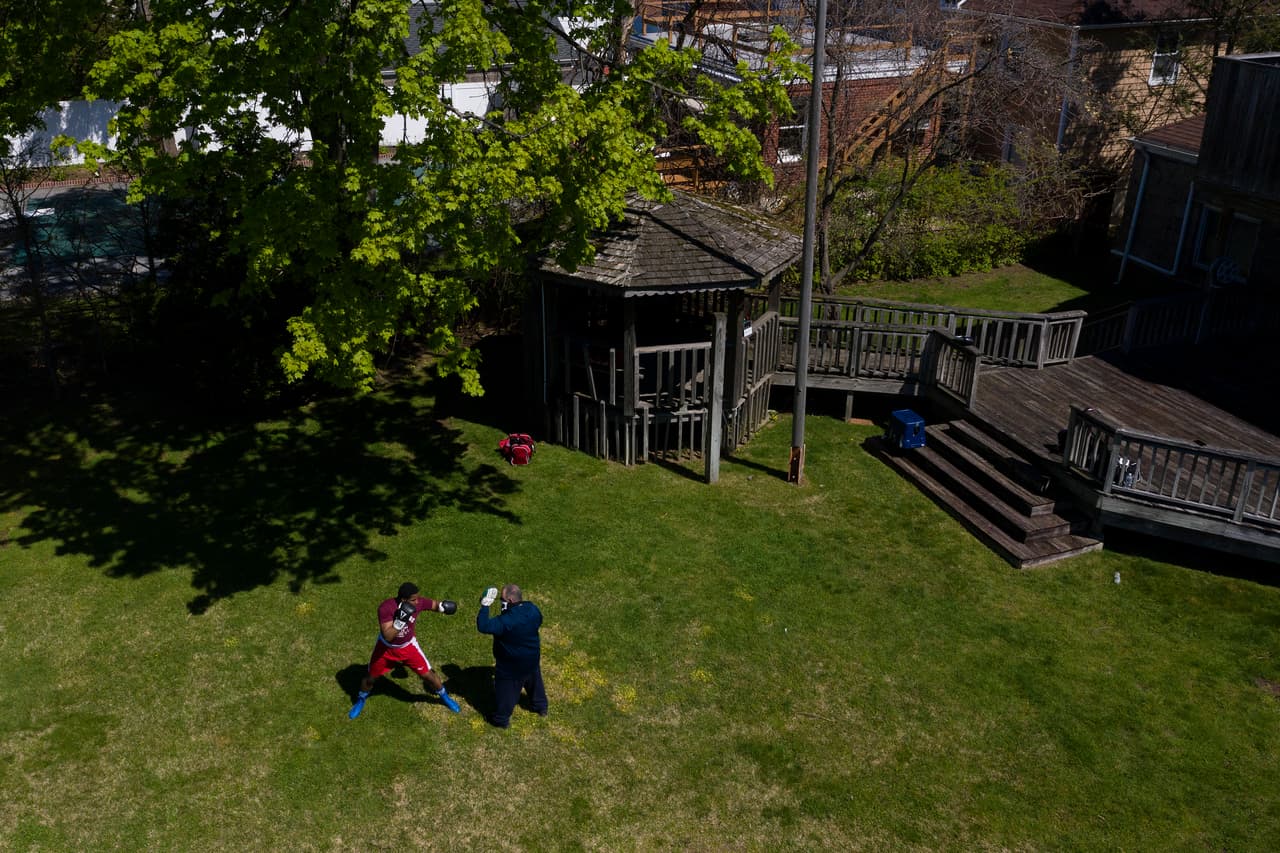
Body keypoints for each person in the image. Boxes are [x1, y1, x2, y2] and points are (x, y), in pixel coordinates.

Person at [349, 582, 460, 720]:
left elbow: (433, 605)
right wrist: (400, 622)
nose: (417, 602)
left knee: (429, 676)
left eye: (417, 598)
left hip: (408, 647)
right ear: (403, 600)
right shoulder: (386, 608)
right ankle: (361, 699)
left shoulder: (417, 603)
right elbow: (388, 636)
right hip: (385, 649)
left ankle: (444, 696)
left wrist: (442, 607)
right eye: (413, 599)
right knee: (370, 679)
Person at [476, 583, 547, 728]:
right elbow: (539, 619)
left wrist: (485, 606)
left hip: (511, 665)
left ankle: (501, 719)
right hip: (532, 657)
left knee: (505, 692)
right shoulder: (532, 609)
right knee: (534, 681)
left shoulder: (506, 622)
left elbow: (483, 626)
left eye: (501, 600)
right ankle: (541, 707)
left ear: (509, 601)